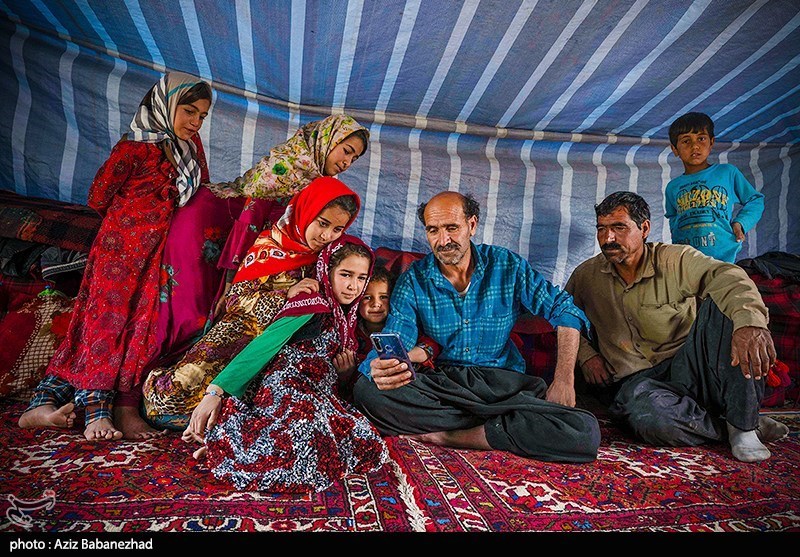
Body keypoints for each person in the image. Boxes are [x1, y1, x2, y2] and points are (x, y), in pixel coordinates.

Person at [18, 72, 214, 441]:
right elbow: (99, 196)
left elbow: (200, 189)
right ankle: (96, 412)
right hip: (119, 253)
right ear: (165, 105)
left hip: (156, 255)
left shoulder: (190, 148)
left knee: (140, 330)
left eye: (202, 115)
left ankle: (47, 404)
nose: (196, 122)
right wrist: (135, 219)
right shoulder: (133, 148)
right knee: (103, 324)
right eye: (189, 111)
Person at [353, 191, 601, 463]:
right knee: (368, 392)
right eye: (433, 230)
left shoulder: (506, 265)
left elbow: (564, 310)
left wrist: (564, 378)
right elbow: (397, 337)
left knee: (584, 432)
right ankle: (506, 425)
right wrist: (377, 367)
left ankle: (455, 435)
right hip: (443, 384)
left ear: (471, 225)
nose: (443, 240)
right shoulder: (414, 280)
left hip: (503, 386)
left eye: (452, 228)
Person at [564, 191, 789, 463]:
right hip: (638, 384)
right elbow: (563, 315)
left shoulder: (675, 259)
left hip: (691, 365)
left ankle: (743, 428)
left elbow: (726, 276)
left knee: (729, 305)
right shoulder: (586, 275)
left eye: (619, 227)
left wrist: (750, 323)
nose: (608, 238)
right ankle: (732, 427)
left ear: (644, 228)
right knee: (649, 418)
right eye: (602, 229)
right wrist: (587, 356)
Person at [142, 177, 361, 429]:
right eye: (322, 223)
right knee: (175, 392)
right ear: (306, 210)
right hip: (234, 335)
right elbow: (237, 300)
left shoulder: (328, 259)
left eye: (337, 229)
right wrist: (285, 295)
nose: (327, 235)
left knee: (259, 404)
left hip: (275, 349)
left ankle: (216, 418)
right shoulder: (270, 243)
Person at [182, 235, 389, 493]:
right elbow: (263, 347)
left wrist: (345, 374)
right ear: (327, 272)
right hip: (286, 385)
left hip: (321, 395)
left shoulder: (348, 319)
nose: (353, 286)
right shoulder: (311, 303)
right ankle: (228, 447)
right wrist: (215, 391)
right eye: (345, 275)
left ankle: (232, 447)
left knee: (365, 440)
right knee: (304, 430)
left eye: (361, 278)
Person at [208, 114, 370, 318]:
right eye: (346, 151)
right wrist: (230, 283)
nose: (347, 163)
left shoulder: (326, 187)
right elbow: (248, 224)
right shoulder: (281, 172)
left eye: (354, 159)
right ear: (327, 139)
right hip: (256, 267)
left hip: (294, 277)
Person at [664, 111, 764, 263]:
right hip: (686, 261)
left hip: (723, 259)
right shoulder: (672, 187)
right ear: (675, 149)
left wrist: (740, 223)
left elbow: (755, 200)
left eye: (701, 139)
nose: (695, 146)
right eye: (686, 141)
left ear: (711, 142)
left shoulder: (727, 172)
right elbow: (673, 219)